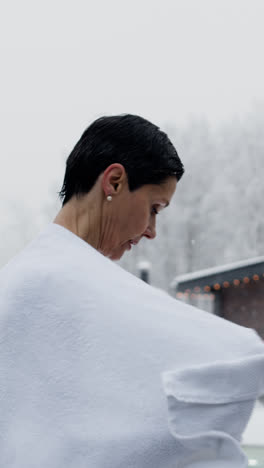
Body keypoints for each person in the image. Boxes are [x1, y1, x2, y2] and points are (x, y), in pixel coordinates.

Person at [0, 114, 263, 468]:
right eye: (154, 208)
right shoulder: (54, 285)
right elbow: (229, 353)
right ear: (115, 181)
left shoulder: (19, 285)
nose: (152, 230)